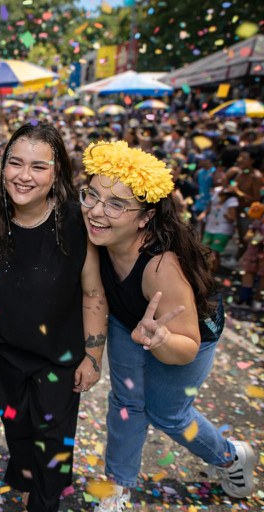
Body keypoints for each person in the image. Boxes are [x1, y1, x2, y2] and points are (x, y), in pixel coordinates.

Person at [79, 141, 255, 511]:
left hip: (181, 332)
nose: (96, 211)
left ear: (145, 217)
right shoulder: (96, 234)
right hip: (132, 322)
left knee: (167, 414)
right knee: (126, 402)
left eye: (115, 204)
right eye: (91, 196)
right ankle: (117, 486)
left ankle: (231, 456)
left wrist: (159, 340)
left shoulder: (161, 268)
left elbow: (186, 345)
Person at [0, 123, 107, 512]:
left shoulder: (74, 221)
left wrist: (94, 356)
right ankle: (27, 476)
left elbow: (94, 292)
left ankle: (45, 500)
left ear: (56, 173)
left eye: (38, 166)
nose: (24, 176)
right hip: (4, 355)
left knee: (53, 437)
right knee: (17, 429)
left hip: (58, 360)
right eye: (15, 163)